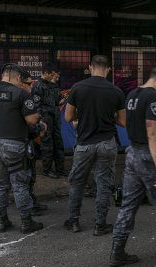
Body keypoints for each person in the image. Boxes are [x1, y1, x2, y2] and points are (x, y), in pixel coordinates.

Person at [109, 61, 156, 267]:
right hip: (149, 156)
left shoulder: (132, 94)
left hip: (132, 154)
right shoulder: (154, 98)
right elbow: (152, 132)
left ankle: (117, 252)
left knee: (128, 205)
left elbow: (130, 124)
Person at [64, 55, 126, 235]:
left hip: (84, 144)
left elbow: (68, 117)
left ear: (90, 67)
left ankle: (74, 222)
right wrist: (108, 115)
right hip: (107, 143)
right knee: (104, 184)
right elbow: (123, 122)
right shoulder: (116, 91)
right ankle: (100, 225)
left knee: (77, 183)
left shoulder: (78, 88)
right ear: (108, 70)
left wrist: (82, 115)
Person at [0, 63, 43, 234]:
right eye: (21, 79)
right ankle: (26, 222)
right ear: (16, 77)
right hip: (13, 145)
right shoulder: (21, 94)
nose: (22, 82)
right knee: (19, 184)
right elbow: (31, 121)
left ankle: (2, 221)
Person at [20, 71, 49, 216]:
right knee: (26, 176)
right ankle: (29, 206)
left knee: (29, 175)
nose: (32, 85)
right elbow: (28, 123)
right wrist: (41, 127)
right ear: (21, 83)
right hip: (23, 143)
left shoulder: (26, 97)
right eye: (28, 83)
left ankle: (31, 202)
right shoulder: (21, 98)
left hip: (27, 141)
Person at [32, 62, 66, 179]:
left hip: (56, 117)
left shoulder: (54, 85)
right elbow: (36, 105)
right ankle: (47, 170)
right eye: (51, 75)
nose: (54, 78)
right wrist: (42, 120)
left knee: (58, 143)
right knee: (47, 145)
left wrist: (62, 100)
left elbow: (58, 100)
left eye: (55, 75)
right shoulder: (38, 86)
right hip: (46, 119)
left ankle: (60, 169)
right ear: (45, 73)